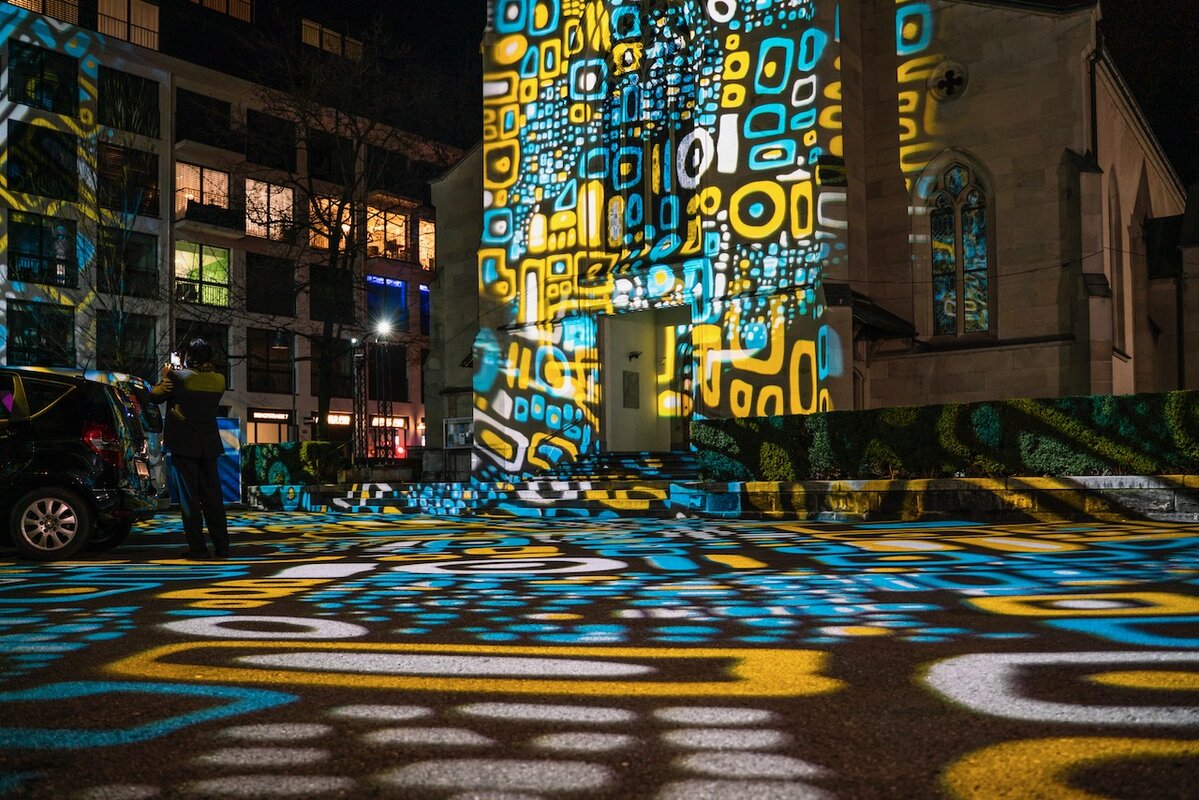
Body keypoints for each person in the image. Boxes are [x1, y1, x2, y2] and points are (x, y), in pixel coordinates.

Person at [151, 338, 230, 558]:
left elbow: (155, 396)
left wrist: (166, 375)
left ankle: (198, 548)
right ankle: (222, 546)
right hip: (210, 445)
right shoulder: (219, 380)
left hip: (184, 445)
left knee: (190, 499)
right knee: (213, 498)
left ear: (188, 357)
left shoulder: (178, 378)